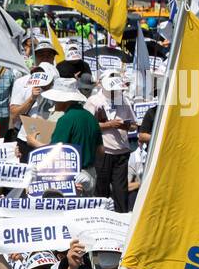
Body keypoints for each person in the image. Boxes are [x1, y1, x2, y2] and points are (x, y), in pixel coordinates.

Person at [85, 70, 135, 212]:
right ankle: (102, 220)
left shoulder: (123, 100)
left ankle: (121, 220)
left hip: (122, 151)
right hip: (103, 151)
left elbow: (133, 125)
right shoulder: (94, 101)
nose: (114, 92)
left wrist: (126, 125)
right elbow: (88, 127)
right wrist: (109, 125)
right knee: (102, 190)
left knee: (121, 191)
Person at [43, 77, 101, 173]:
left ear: (63, 101)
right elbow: (100, 150)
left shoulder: (66, 119)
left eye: (56, 100)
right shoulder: (91, 117)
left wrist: (33, 142)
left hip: (73, 173)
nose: (54, 102)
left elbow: (54, 151)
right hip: (91, 172)